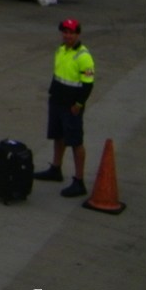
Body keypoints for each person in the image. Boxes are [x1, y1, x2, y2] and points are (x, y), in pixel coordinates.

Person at [34, 18, 95, 198]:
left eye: (71, 32)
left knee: (75, 142)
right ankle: (56, 168)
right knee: (57, 136)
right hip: (57, 101)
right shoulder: (61, 50)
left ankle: (79, 180)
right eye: (65, 32)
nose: (67, 35)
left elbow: (88, 84)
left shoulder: (83, 56)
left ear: (77, 34)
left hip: (71, 106)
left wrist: (78, 104)